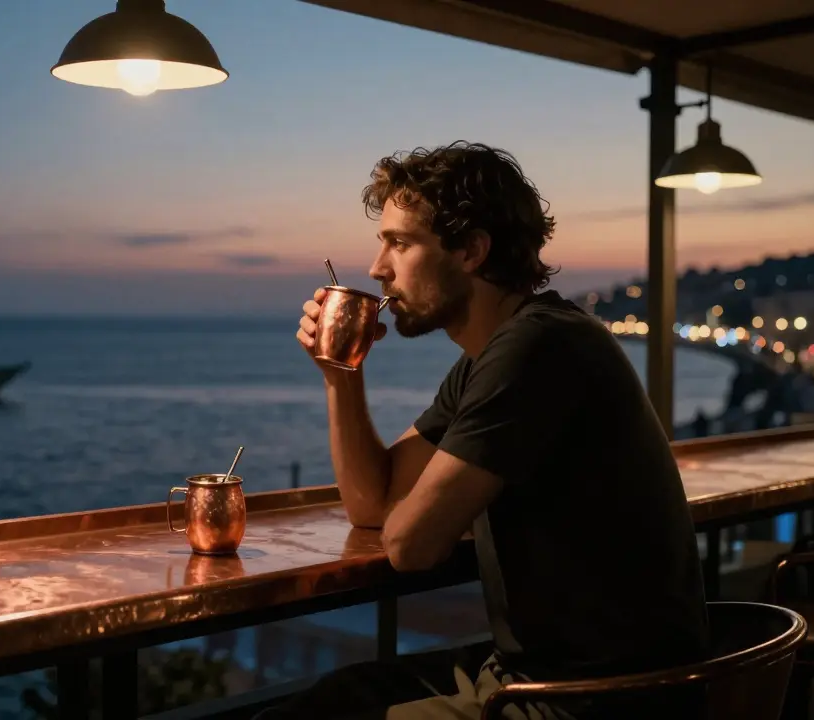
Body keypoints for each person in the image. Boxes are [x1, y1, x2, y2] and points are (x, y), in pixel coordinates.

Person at [260, 143, 709, 719]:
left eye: (400, 243)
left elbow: (410, 546)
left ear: (471, 250)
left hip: (594, 700)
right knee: (329, 699)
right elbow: (372, 506)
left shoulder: (537, 348)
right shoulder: (491, 357)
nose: (377, 269)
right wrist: (340, 372)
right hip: (539, 674)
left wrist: (423, 509)